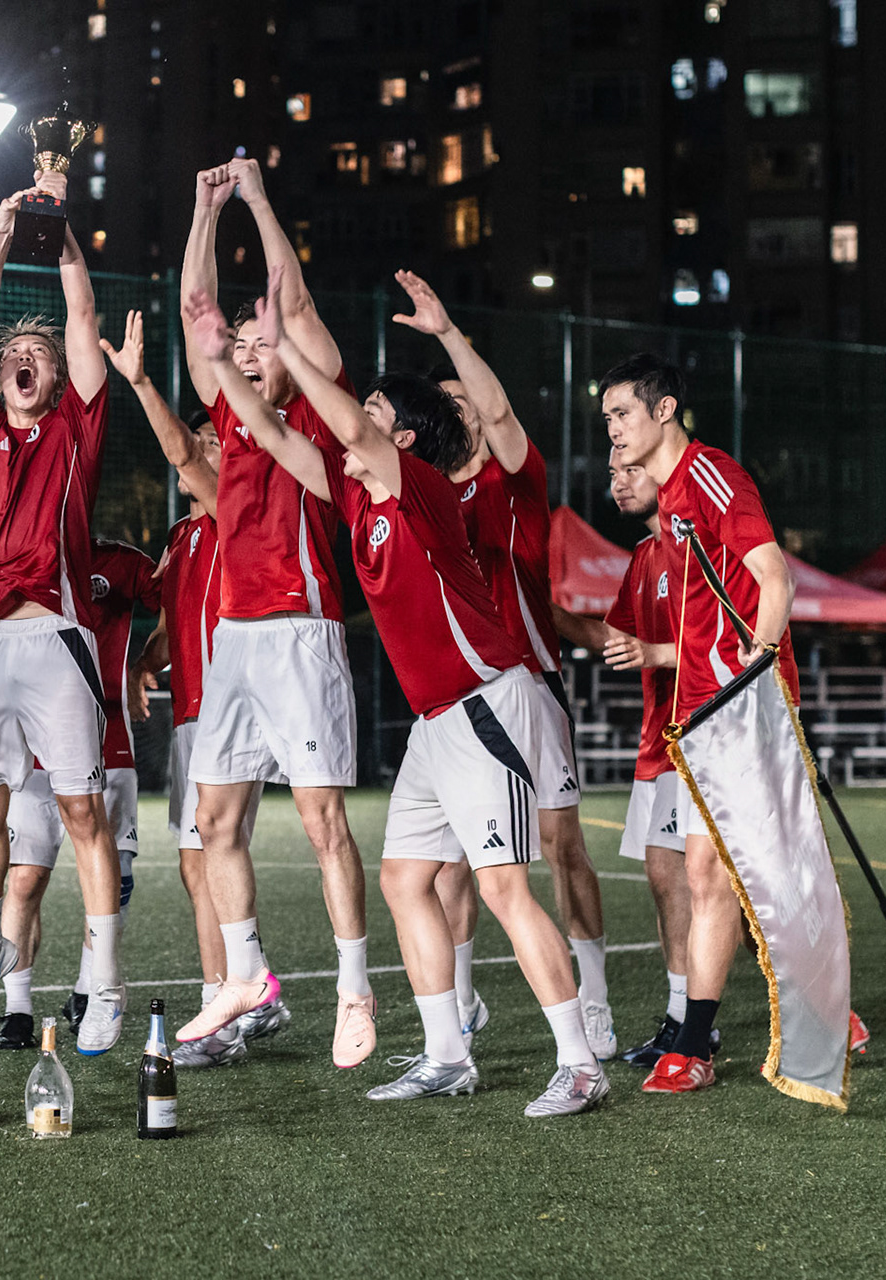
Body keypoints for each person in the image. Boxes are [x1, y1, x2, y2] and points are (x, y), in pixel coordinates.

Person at [189, 279, 606, 1116]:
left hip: (487, 702)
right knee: (404, 879)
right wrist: (226, 363)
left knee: (502, 889)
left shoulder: (419, 486)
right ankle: (447, 1054)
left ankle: (580, 1061)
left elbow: (340, 423)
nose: (355, 417)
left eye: (375, 410)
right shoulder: (357, 497)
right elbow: (277, 433)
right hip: (436, 721)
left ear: (403, 438)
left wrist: (290, 347)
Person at [171, 160, 372, 1066]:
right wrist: (202, 210)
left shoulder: (318, 416)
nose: (250, 351)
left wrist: (254, 198)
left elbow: (296, 307)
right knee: (215, 823)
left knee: (323, 822)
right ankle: (245, 974)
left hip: (300, 630)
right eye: (242, 345)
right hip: (234, 640)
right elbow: (195, 315)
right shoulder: (231, 413)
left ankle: (356, 988)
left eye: (264, 341)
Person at [385, 270, 615, 1058]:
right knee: (446, 868)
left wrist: (451, 337)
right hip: (461, 704)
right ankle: (459, 1011)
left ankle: (593, 1005)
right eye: (445, 403)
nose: (461, 410)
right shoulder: (420, 497)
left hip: (527, 688)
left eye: (465, 399)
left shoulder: (512, 479)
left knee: (559, 847)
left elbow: (503, 415)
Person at [0, 175, 125, 1054]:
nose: (23, 356)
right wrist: (1, 228)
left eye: (38, 354)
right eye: (16, 352)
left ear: (56, 378)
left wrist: (61, 238)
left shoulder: (74, 431)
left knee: (82, 812)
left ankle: (106, 979)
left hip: (57, 638)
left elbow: (81, 318)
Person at [600, 353, 798, 1094]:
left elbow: (775, 576)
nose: (613, 430)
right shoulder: (670, 507)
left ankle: (695, 1047)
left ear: (663, 410)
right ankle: (781, 1017)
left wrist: (759, 664)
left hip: (740, 708)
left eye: (622, 413)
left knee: (727, 874)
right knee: (716, 874)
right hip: (696, 716)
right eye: (607, 418)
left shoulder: (710, 475)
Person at [104, 316, 291, 1069]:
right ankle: (249, 992)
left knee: (208, 854)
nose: (201, 448)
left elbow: (187, 453)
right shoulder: (182, 540)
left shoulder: (228, 516)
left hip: (226, 711)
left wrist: (145, 383)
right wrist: (138, 667)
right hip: (190, 714)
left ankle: (227, 1006)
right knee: (202, 859)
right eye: (201, 441)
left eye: (214, 441)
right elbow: (167, 629)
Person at [0, 538, 158, 1051]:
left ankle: (90, 989)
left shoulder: (123, 562)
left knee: (116, 876)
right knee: (24, 878)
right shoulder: (23, 555)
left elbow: (178, 594)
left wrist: (143, 664)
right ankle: (17, 1008)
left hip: (109, 737)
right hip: (34, 748)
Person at [557, 452, 696, 1067]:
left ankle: (814, 1003)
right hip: (659, 741)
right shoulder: (643, 558)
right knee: (667, 879)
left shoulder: (698, 546)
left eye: (630, 470)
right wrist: (540, 608)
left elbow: (732, 637)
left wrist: (656, 652)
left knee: (727, 888)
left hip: (704, 733)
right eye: (612, 474)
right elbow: (612, 639)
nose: (617, 482)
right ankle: (684, 1019)